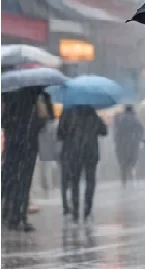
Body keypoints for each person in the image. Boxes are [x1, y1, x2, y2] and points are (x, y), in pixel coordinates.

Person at [1, 88, 54, 231]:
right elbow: (48, 118)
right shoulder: (38, 94)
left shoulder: (7, 93)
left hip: (13, 144)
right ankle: (20, 216)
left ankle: (8, 213)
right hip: (29, 145)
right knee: (23, 181)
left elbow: (3, 121)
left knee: (10, 179)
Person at [58, 104, 108, 224]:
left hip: (74, 152)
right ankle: (87, 207)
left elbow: (60, 134)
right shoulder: (92, 112)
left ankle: (75, 209)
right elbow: (104, 131)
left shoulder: (67, 112)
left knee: (75, 181)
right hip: (91, 152)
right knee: (90, 180)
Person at [113, 105, 144, 186]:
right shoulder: (135, 119)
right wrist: (139, 139)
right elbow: (141, 131)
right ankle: (130, 180)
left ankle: (124, 181)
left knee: (123, 164)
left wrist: (117, 142)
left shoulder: (120, 119)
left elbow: (117, 132)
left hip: (122, 145)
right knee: (131, 163)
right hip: (133, 145)